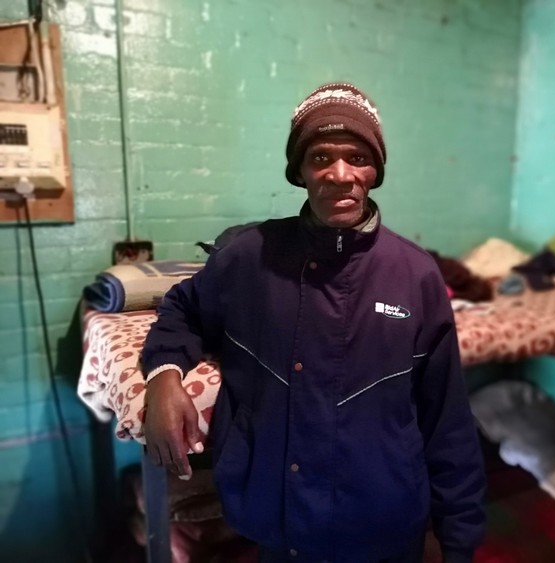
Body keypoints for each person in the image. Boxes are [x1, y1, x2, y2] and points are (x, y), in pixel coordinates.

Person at [141, 82, 486, 563]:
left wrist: (460, 541)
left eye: (358, 158)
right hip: (277, 519)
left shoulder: (416, 275)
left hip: (384, 522)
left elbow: (446, 418)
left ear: (376, 171)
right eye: (320, 158)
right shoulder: (247, 258)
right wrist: (163, 375)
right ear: (299, 171)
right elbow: (182, 307)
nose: (340, 174)